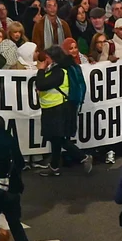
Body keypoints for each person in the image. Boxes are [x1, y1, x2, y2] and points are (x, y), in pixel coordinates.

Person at [35, 46, 92, 177]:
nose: (46, 60)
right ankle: (54, 166)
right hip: (53, 108)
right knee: (55, 139)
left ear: (54, 58)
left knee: (59, 139)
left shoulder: (59, 71)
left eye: (47, 58)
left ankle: (83, 157)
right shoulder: (58, 70)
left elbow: (41, 84)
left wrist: (41, 70)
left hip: (58, 109)